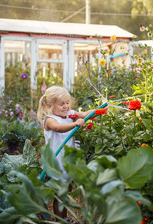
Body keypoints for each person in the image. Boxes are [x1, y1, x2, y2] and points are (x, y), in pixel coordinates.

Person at [37, 86, 99, 220]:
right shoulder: (50, 119)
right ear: (50, 105)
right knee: (61, 193)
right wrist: (75, 124)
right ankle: (61, 220)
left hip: (68, 161)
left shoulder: (69, 114)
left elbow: (85, 114)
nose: (66, 106)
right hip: (57, 163)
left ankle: (63, 218)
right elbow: (58, 128)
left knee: (67, 190)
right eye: (61, 104)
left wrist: (98, 110)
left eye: (67, 102)